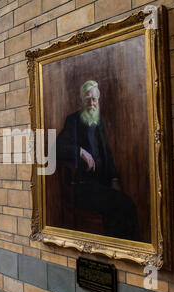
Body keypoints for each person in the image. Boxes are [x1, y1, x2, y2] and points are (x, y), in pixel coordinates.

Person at [56, 80, 140, 241]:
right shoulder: (72, 120)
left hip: (103, 186)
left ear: (98, 101)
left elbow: (107, 154)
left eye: (94, 99)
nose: (91, 103)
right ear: (82, 100)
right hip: (83, 188)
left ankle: (127, 249)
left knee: (127, 204)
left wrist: (114, 179)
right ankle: (118, 247)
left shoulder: (99, 121)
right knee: (122, 205)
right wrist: (80, 152)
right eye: (88, 99)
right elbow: (57, 147)